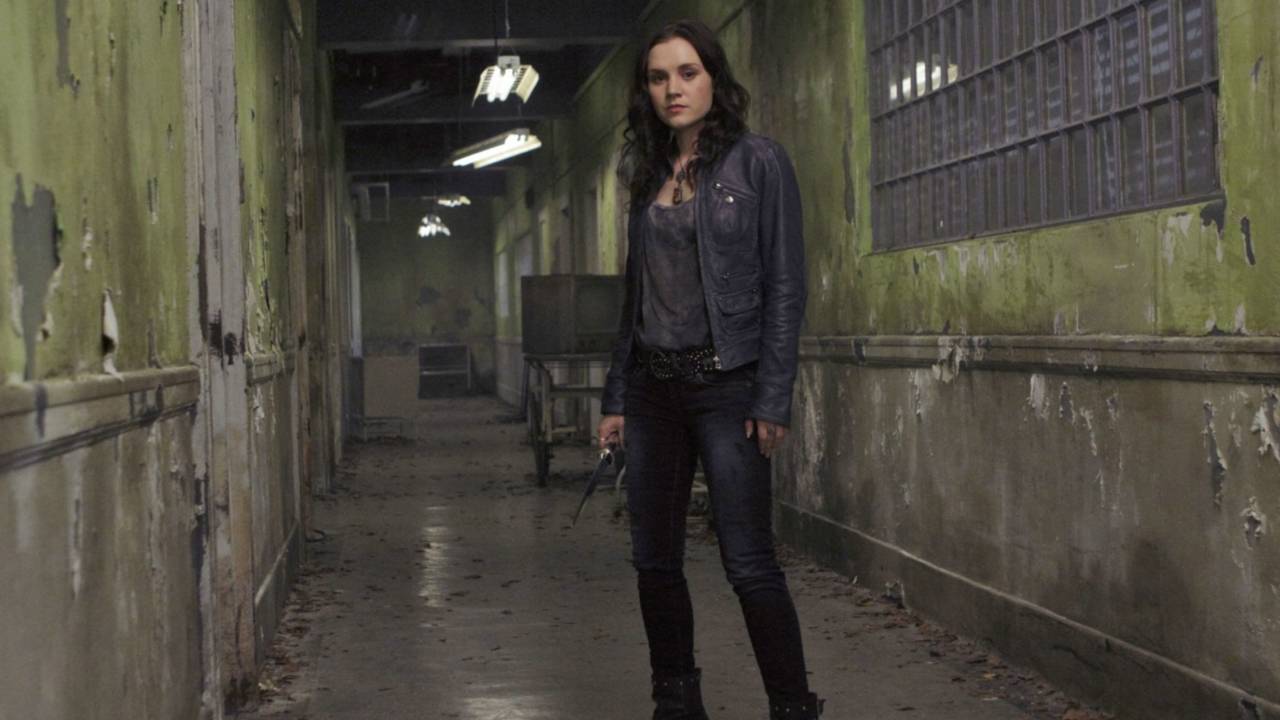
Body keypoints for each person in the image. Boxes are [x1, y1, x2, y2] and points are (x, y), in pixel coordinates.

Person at [596, 18, 821, 720]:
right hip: (652, 389)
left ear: (714, 80)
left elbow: (785, 286)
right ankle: (676, 700)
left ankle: (792, 706)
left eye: (687, 73)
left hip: (728, 386)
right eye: (658, 77)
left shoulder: (759, 163)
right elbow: (634, 296)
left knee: (748, 562)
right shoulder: (647, 175)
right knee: (654, 560)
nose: (673, 89)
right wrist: (616, 396)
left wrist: (772, 396)